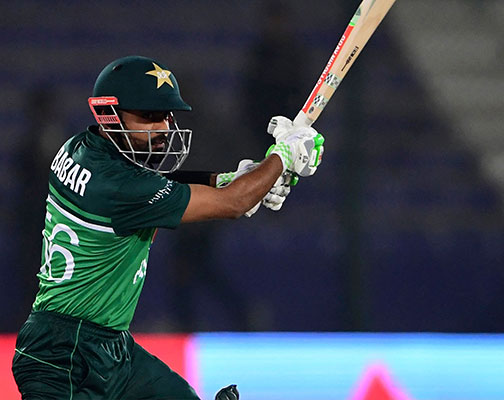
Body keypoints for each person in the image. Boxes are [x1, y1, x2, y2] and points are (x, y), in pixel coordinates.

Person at [11, 55, 324, 400]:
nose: (162, 128)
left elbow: (151, 184)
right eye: (148, 117)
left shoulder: (78, 149)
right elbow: (232, 204)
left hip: (110, 348)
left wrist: (231, 179)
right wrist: (283, 156)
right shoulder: (120, 187)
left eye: (166, 115)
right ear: (108, 116)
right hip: (63, 358)